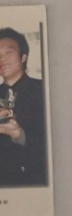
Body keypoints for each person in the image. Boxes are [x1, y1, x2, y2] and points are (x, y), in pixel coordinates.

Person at [0, 26, 48, 187]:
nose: (2, 59)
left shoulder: (44, 91)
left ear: (23, 57)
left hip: (33, 181)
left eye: (9, 53)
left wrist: (19, 135)